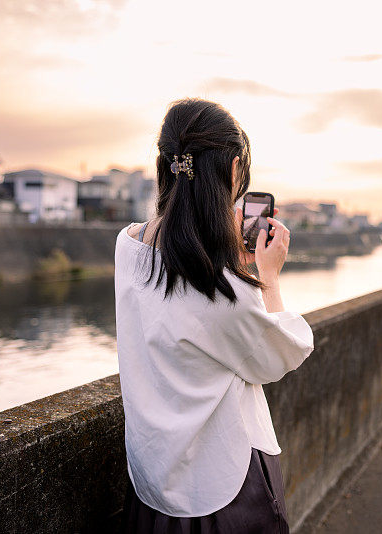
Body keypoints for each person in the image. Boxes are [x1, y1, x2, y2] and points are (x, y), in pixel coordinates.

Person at [115, 98, 315, 533]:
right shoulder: (222, 287)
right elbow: (279, 356)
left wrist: (234, 268)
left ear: (165, 163)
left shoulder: (127, 245)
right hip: (220, 487)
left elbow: (183, 319)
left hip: (150, 475)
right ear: (234, 168)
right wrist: (268, 276)